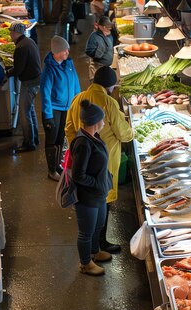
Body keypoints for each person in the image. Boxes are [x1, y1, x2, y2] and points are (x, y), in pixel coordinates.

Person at [66, 67, 134, 253]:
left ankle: (96, 246)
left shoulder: (79, 99)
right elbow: (124, 134)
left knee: (90, 200)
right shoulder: (109, 102)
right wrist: (132, 131)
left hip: (83, 160)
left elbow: (69, 128)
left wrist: (78, 149)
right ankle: (99, 244)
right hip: (106, 162)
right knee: (103, 201)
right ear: (109, 85)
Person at [70, 100, 113, 275]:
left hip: (98, 193)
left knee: (98, 225)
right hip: (87, 197)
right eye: (102, 120)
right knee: (86, 232)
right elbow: (78, 175)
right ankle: (85, 263)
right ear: (96, 122)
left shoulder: (94, 137)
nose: (104, 122)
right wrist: (96, 184)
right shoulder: (83, 143)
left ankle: (94, 252)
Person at [40, 36, 80, 181]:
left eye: (67, 49)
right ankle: (51, 171)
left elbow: (76, 83)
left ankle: (58, 166)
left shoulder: (69, 63)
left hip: (67, 108)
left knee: (61, 139)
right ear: (56, 52)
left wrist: (77, 103)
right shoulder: (49, 69)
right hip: (54, 110)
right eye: (64, 50)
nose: (67, 53)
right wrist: (48, 115)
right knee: (52, 139)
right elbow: (45, 93)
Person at [6, 22, 42, 153]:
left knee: (24, 112)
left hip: (29, 83)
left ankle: (29, 143)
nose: (10, 35)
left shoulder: (21, 47)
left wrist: (7, 73)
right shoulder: (29, 41)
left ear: (17, 33)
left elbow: (18, 69)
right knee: (30, 110)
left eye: (11, 32)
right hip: (35, 80)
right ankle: (35, 138)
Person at [85, 16, 114, 81]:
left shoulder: (109, 35)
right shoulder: (94, 36)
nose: (109, 29)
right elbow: (88, 51)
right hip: (97, 67)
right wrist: (98, 53)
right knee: (97, 86)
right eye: (107, 27)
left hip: (106, 67)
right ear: (102, 27)